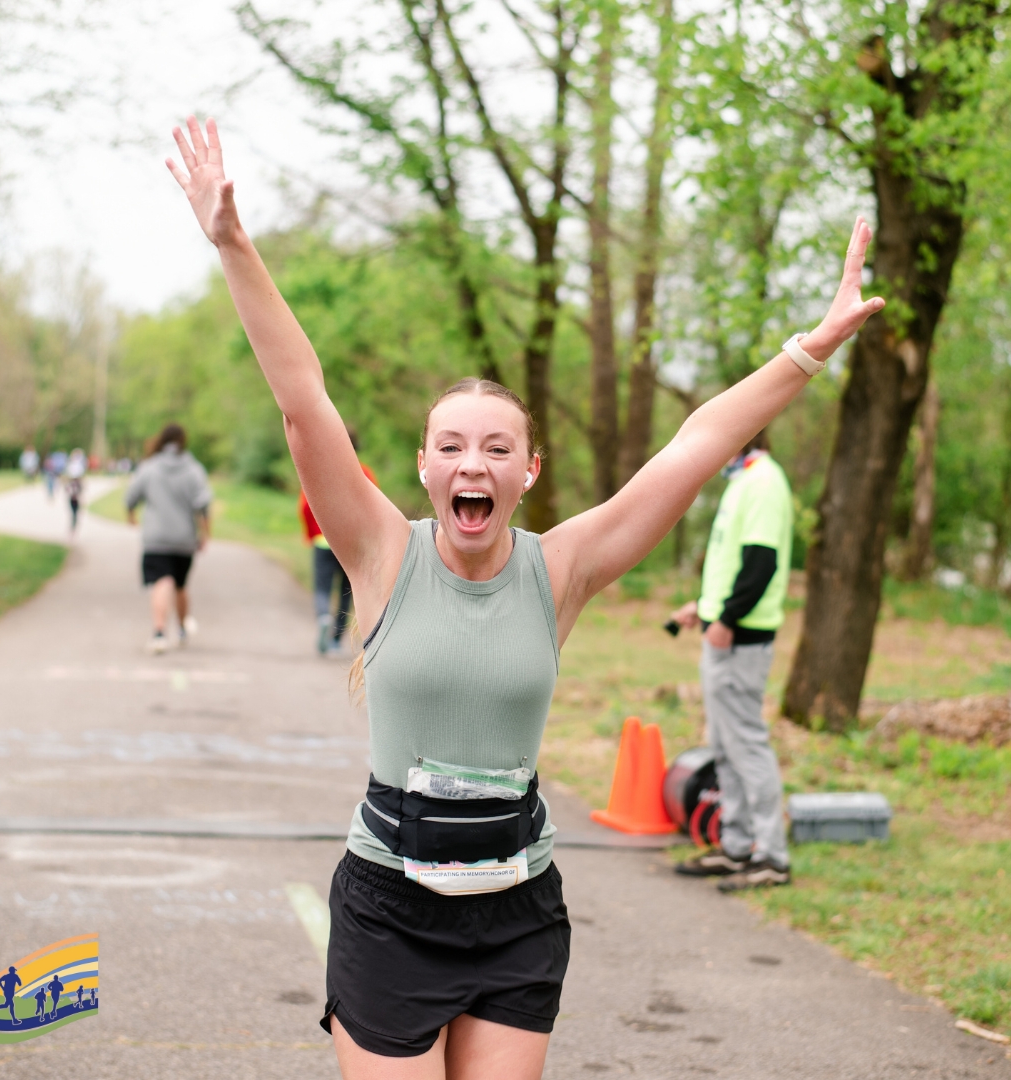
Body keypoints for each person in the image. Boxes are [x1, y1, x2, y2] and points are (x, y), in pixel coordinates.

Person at [167, 114, 883, 1080]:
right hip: (389, 912)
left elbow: (697, 445)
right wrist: (232, 242)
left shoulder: (561, 569)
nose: (474, 462)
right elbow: (304, 401)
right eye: (453, 446)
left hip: (517, 913)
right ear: (423, 467)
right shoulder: (381, 550)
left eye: (497, 448)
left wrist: (811, 349)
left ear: (528, 471)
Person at [669, 428, 795, 892]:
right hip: (724, 630)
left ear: (741, 438)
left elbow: (761, 563)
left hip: (740, 638)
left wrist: (726, 618)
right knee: (724, 744)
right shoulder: (742, 481)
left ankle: (772, 857)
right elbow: (731, 562)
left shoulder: (764, 482)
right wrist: (703, 608)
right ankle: (738, 845)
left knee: (746, 744)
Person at [125, 423, 212, 654]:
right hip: (184, 538)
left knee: (161, 582)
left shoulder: (149, 467)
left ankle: (160, 632)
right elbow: (203, 505)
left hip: (155, 538)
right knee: (181, 585)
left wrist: (131, 514)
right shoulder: (194, 469)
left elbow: (131, 496)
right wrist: (205, 534)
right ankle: (182, 628)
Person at [300, 427, 378, 656]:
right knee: (346, 591)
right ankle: (335, 640)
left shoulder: (320, 472)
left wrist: (311, 532)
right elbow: (375, 509)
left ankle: (323, 615)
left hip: (323, 541)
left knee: (323, 587)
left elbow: (306, 506)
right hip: (352, 543)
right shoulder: (365, 473)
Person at [65, 448, 87, 533]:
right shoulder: (72, 464)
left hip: (75, 489)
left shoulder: (75, 464)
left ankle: (74, 522)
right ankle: (74, 522)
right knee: (74, 508)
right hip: (73, 489)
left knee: (75, 508)